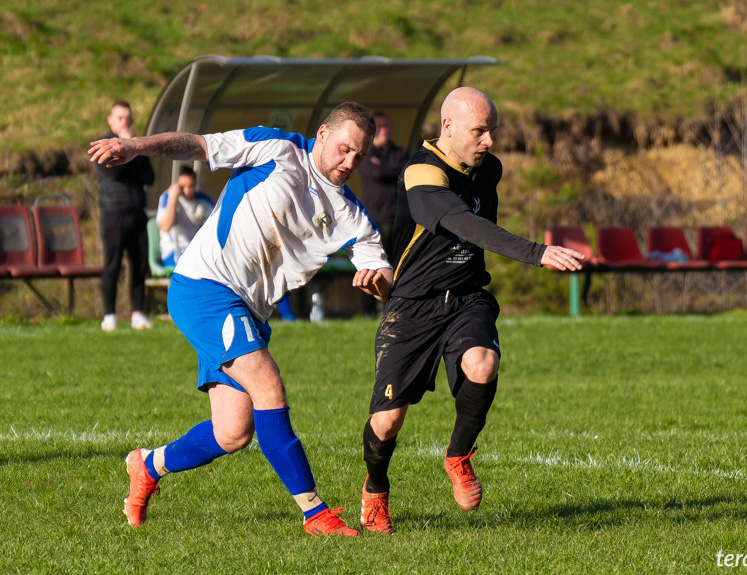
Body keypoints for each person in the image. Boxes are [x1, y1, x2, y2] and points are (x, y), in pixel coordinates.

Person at [88, 102, 393, 536]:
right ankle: (315, 513)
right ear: (323, 134)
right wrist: (134, 146)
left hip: (249, 309)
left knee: (233, 432)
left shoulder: (350, 213)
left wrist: (375, 282)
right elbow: (197, 145)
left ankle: (148, 464)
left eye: (359, 157)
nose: (350, 163)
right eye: (344, 149)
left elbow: (382, 272)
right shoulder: (276, 148)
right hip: (205, 286)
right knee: (268, 386)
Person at [357, 87, 585, 534]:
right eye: (480, 131)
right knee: (386, 423)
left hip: (467, 296)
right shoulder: (420, 173)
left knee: (483, 364)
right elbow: (465, 223)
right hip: (413, 306)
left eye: (492, 131)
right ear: (448, 127)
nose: (489, 142)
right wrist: (536, 252)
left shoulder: (489, 169)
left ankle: (458, 455)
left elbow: (479, 228)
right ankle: (376, 488)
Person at [94, 100, 155, 332]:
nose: (124, 122)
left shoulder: (138, 145)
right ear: (111, 120)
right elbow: (115, 172)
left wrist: (133, 147)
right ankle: (109, 314)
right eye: (120, 118)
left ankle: (138, 313)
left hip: (137, 212)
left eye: (128, 119)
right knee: (113, 265)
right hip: (114, 212)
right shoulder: (102, 144)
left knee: (139, 265)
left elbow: (148, 177)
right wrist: (126, 148)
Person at [357, 112, 410, 260]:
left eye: (387, 126)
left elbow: (406, 174)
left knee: (398, 261)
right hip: (375, 218)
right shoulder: (365, 153)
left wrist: (383, 168)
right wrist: (393, 170)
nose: (384, 130)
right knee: (377, 261)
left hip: (397, 219)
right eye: (380, 127)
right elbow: (376, 174)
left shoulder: (400, 152)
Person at [155, 165, 215, 267]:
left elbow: (217, 223)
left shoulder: (203, 199)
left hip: (195, 249)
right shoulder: (167, 197)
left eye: (191, 186)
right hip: (173, 250)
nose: (187, 191)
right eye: (182, 187)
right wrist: (173, 198)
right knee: (193, 263)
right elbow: (165, 227)